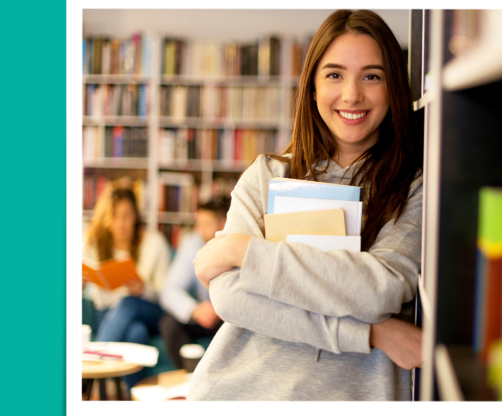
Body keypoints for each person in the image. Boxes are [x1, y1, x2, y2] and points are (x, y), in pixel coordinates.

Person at [188, 9, 424, 401]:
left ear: (393, 88)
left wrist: (243, 251)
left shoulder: (414, 188)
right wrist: (369, 332)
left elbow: (379, 290)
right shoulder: (265, 175)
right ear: (312, 87)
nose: (352, 94)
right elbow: (231, 297)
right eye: (334, 75)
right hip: (239, 392)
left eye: (372, 76)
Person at [82, 180, 171, 392]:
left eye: (127, 215)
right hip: (107, 315)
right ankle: (134, 399)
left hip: (148, 310)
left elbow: (166, 296)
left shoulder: (154, 242)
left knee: (129, 302)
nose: (120, 223)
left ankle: (89, 373)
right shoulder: (93, 243)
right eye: (114, 216)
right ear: (106, 218)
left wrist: (144, 289)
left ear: (136, 216)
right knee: (136, 334)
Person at [158, 197, 230, 370]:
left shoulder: (240, 246)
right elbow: (169, 290)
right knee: (169, 323)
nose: (199, 229)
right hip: (206, 316)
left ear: (224, 223)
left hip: (231, 317)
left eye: (205, 223)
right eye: (198, 223)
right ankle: (190, 378)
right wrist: (194, 309)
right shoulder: (193, 243)